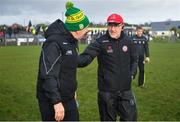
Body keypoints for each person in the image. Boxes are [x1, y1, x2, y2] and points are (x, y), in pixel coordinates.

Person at [78, 13, 138, 121]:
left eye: (116, 25)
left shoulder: (129, 41)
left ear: (122, 26)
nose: (112, 28)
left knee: (130, 119)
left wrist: (132, 74)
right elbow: (86, 57)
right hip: (107, 92)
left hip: (126, 91)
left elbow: (134, 59)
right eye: (110, 25)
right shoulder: (100, 42)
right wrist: (70, 59)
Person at [36, 1, 90, 121]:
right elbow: (48, 74)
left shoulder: (72, 41)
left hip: (68, 98)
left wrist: (72, 90)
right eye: (85, 28)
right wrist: (56, 102)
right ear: (77, 29)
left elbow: (69, 67)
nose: (87, 30)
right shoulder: (53, 43)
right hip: (52, 100)